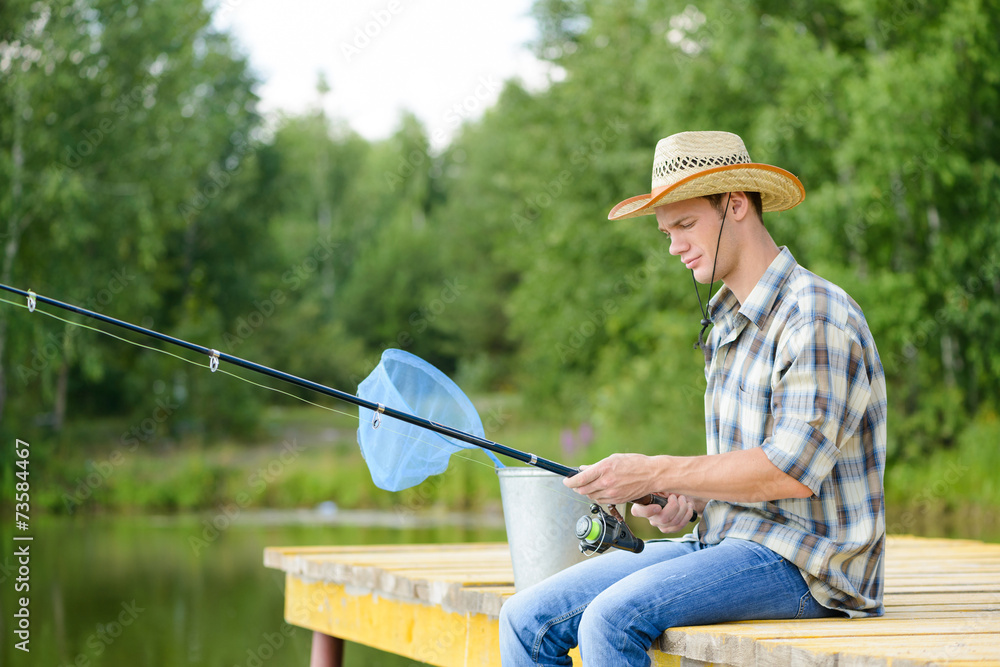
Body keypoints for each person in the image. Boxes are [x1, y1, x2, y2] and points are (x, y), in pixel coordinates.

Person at [499, 130, 887, 666]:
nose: (675, 245)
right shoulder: (725, 319)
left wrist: (658, 471)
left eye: (685, 225)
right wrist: (691, 498)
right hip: (724, 543)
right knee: (523, 620)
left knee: (611, 620)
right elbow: (744, 470)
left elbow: (789, 472)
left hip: (812, 569)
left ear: (735, 205)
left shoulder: (816, 316)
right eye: (666, 232)